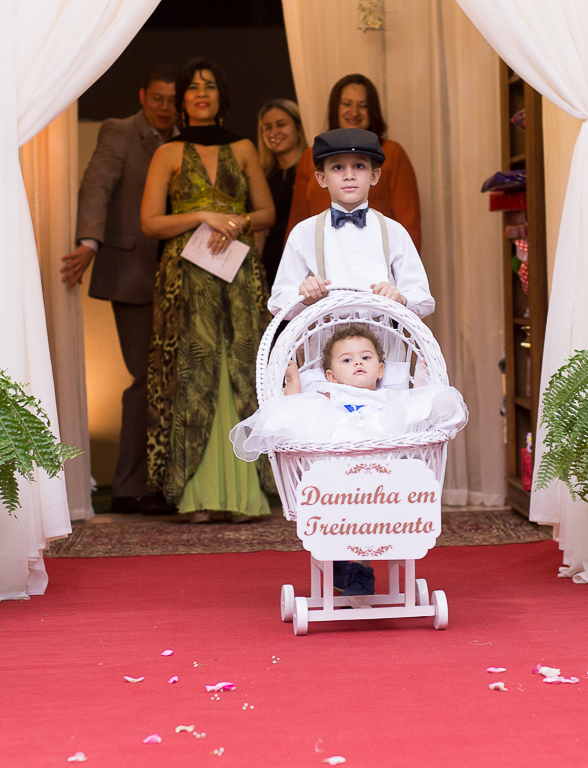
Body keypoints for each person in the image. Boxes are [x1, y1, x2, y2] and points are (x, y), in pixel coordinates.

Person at [229, 323, 467, 604]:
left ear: (380, 370)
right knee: (305, 430)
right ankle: (348, 565)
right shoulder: (326, 396)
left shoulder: (391, 398)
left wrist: (424, 386)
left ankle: (360, 569)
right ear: (331, 376)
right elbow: (292, 418)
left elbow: (417, 416)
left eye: (366, 357)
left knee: (380, 495)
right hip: (335, 477)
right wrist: (293, 384)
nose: (358, 363)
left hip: (383, 478)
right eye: (347, 360)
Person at [141, 58, 278, 524]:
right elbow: (150, 223)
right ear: (182, 99)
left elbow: (267, 213)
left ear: (222, 96)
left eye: (211, 86)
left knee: (240, 368)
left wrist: (237, 221)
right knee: (193, 374)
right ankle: (195, 496)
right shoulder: (167, 152)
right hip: (186, 280)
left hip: (239, 275)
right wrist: (203, 215)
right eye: (193, 87)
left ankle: (245, 495)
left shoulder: (243, 147)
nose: (202, 93)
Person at [62, 65, 179, 516]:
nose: (165, 108)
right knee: (144, 379)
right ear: (143, 95)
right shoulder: (119, 131)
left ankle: (168, 482)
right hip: (133, 272)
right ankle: (130, 486)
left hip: (180, 277)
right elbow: (96, 185)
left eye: (172, 100)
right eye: (158, 99)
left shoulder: (186, 139)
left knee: (171, 380)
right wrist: (88, 242)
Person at [267, 128, 434, 320]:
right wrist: (304, 298)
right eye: (338, 167)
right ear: (321, 178)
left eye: (359, 166)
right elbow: (278, 303)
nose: (349, 175)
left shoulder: (394, 231)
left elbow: (424, 300)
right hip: (325, 336)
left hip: (382, 337)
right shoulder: (303, 233)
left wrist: (401, 299)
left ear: (374, 176)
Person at [285, 75, 422, 251]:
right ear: (335, 108)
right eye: (347, 104)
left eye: (363, 105)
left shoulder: (392, 153)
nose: (355, 112)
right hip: (321, 258)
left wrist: (401, 266)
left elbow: (409, 222)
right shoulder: (310, 156)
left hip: (376, 257)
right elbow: (297, 221)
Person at [255, 100, 306, 288]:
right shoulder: (262, 176)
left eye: (281, 124)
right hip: (273, 264)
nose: (273, 132)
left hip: (305, 263)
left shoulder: (313, 171)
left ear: (298, 129)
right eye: (267, 127)